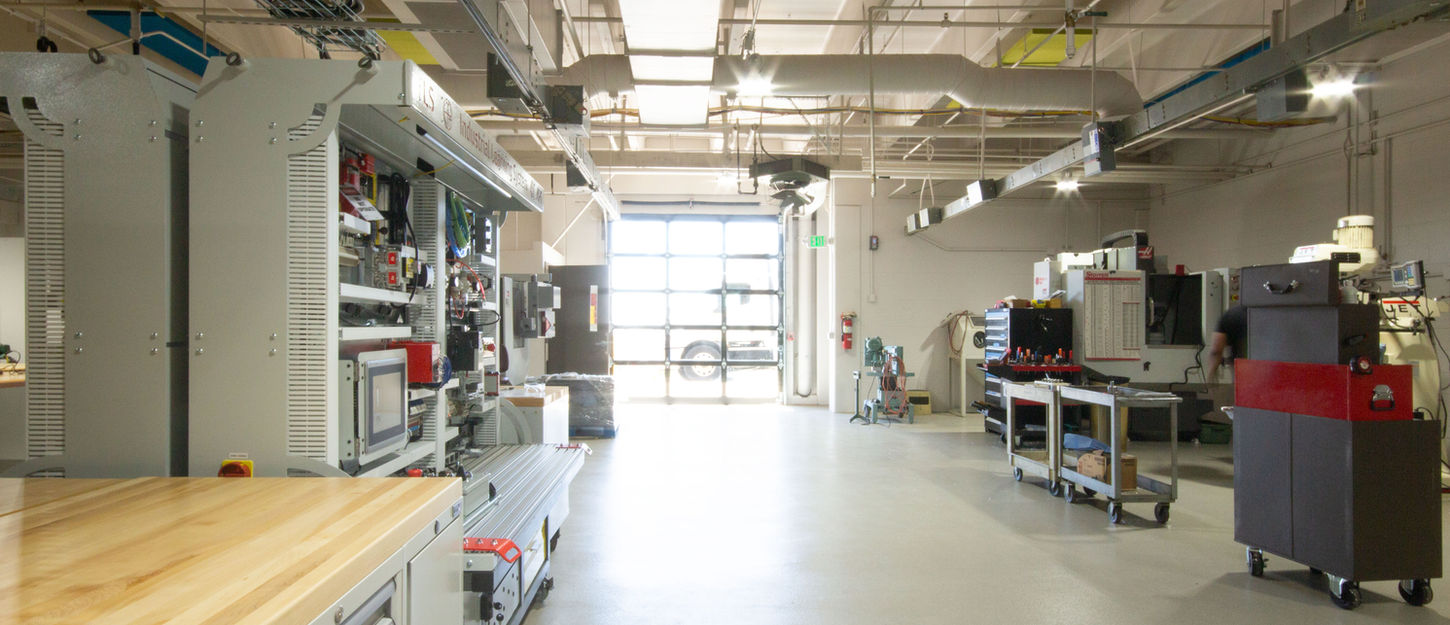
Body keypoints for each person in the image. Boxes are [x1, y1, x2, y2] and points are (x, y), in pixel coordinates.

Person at [1207, 304, 1247, 381]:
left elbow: (1216, 350)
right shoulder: (1271, 312)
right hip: (1270, 370)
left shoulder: (1231, 315)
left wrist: (1211, 374)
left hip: (1242, 372)